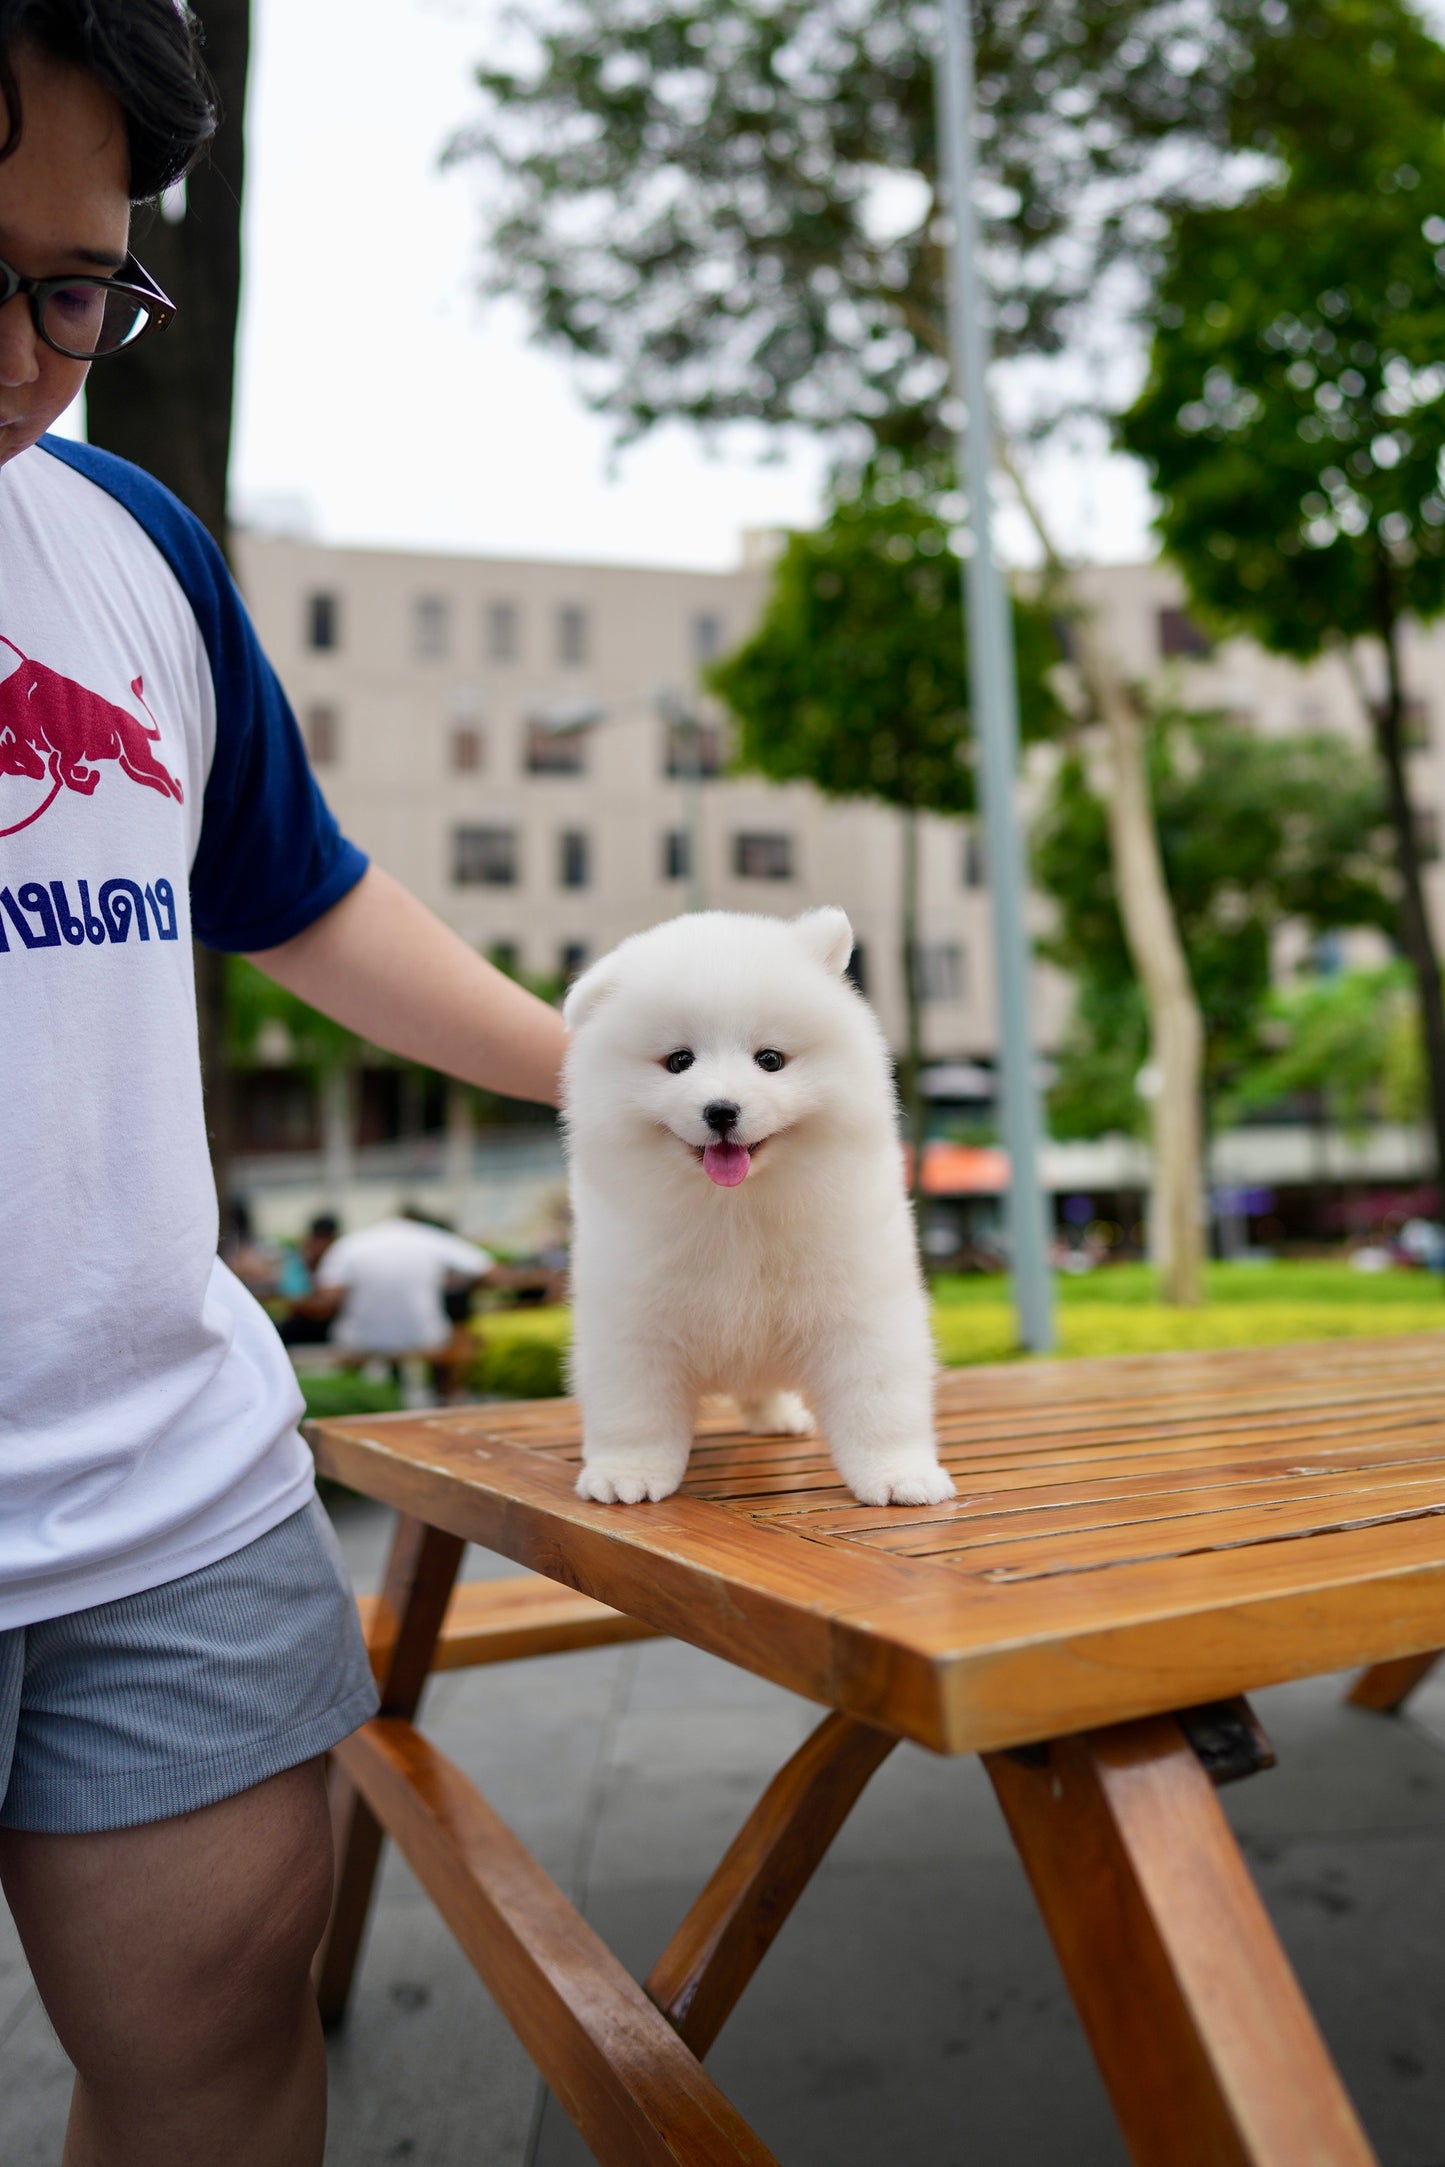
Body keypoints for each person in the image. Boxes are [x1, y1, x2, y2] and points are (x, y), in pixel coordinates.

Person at [0, 10, 567, 2164]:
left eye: (81, 286)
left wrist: (611, 1070)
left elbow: (299, 895)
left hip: (168, 1476)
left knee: (233, 2032)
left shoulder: (128, 539)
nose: (36, 362)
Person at [318, 1210, 493, 1399]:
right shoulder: (431, 1238)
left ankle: (353, 1401)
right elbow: (487, 1270)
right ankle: (448, 1401)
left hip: (360, 1339)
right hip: (424, 1337)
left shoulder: (352, 1243)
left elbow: (329, 1293)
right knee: (459, 1334)